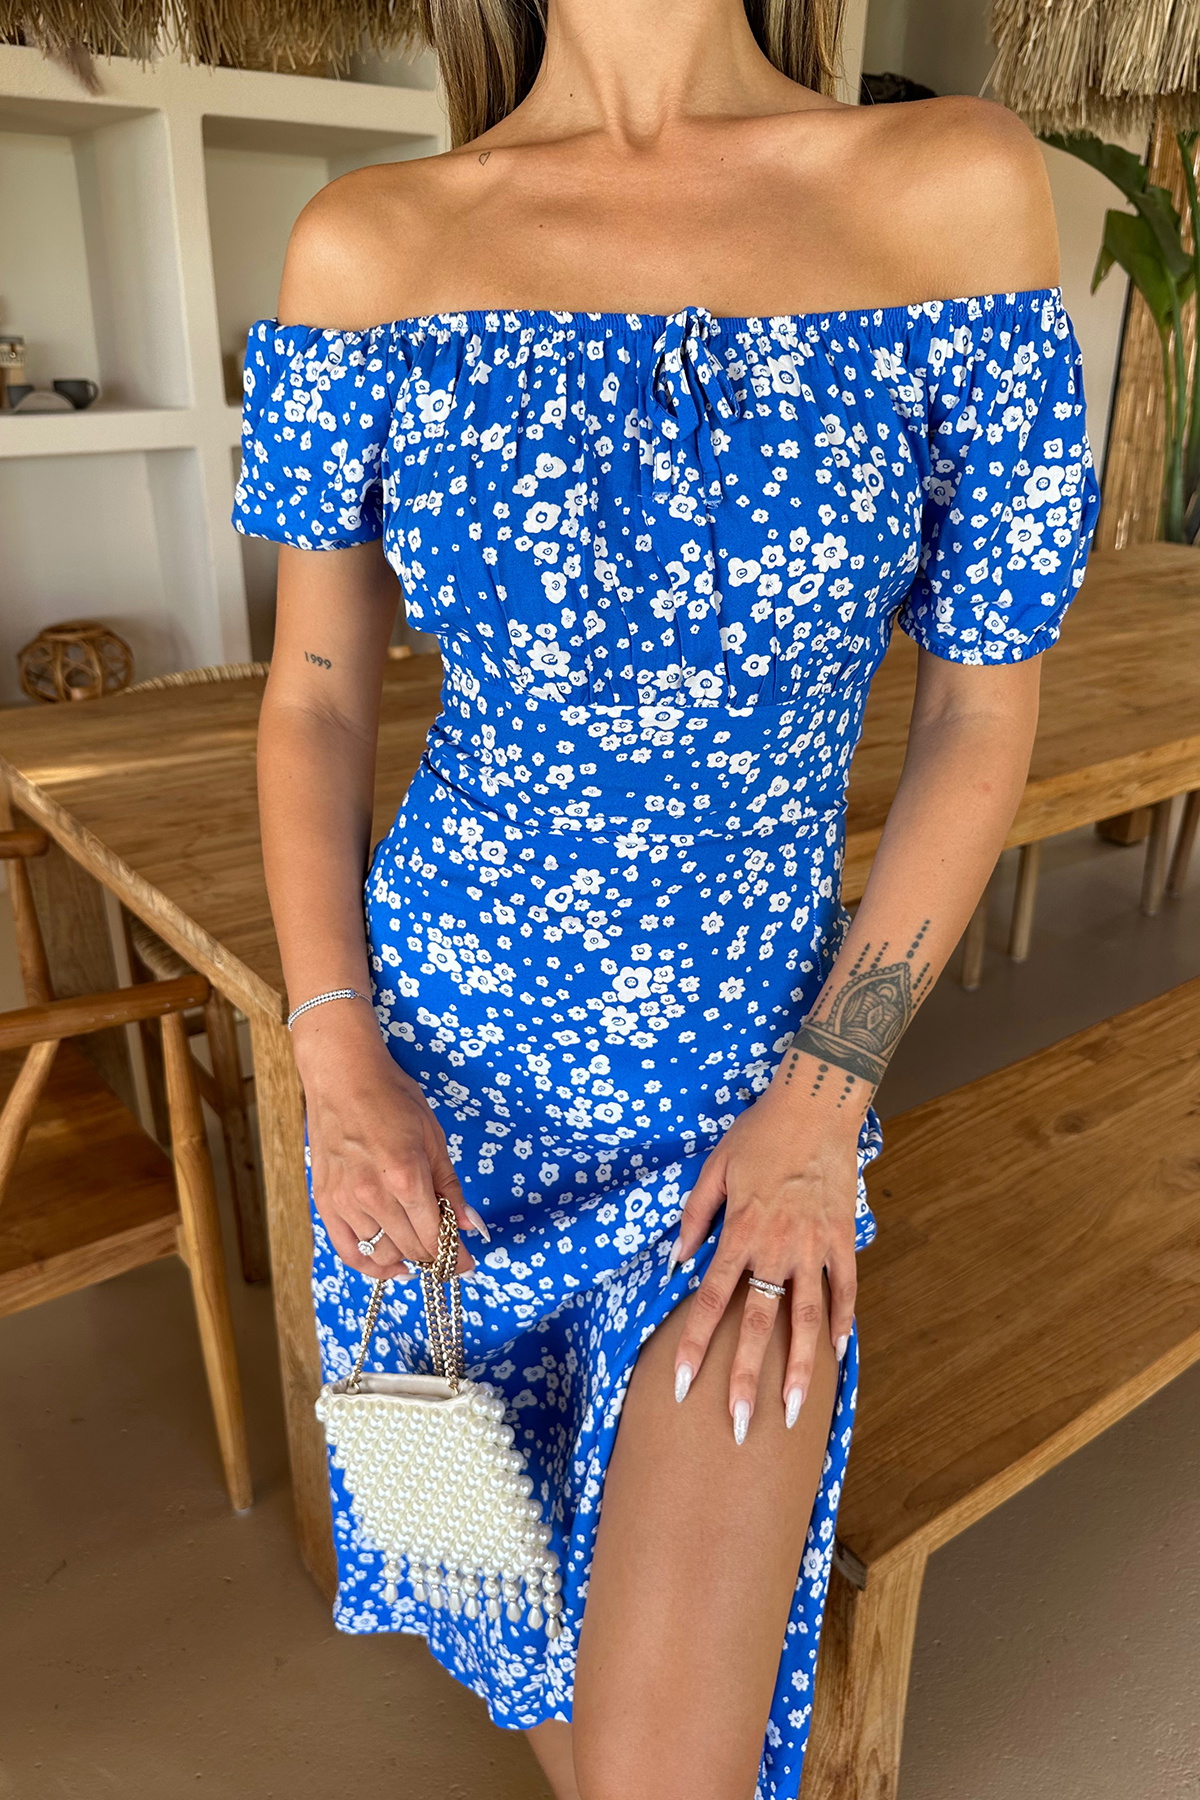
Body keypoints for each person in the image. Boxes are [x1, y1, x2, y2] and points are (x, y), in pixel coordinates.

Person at [233, 3, 1100, 1795]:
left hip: (754, 1113)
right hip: (437, 1096)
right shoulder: (369, 246)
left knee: (666, 1765)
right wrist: (334, 1061)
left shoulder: (949, 186)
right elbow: (315, 697)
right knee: (507, 1601)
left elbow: (981, 711)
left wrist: (826, 1098)